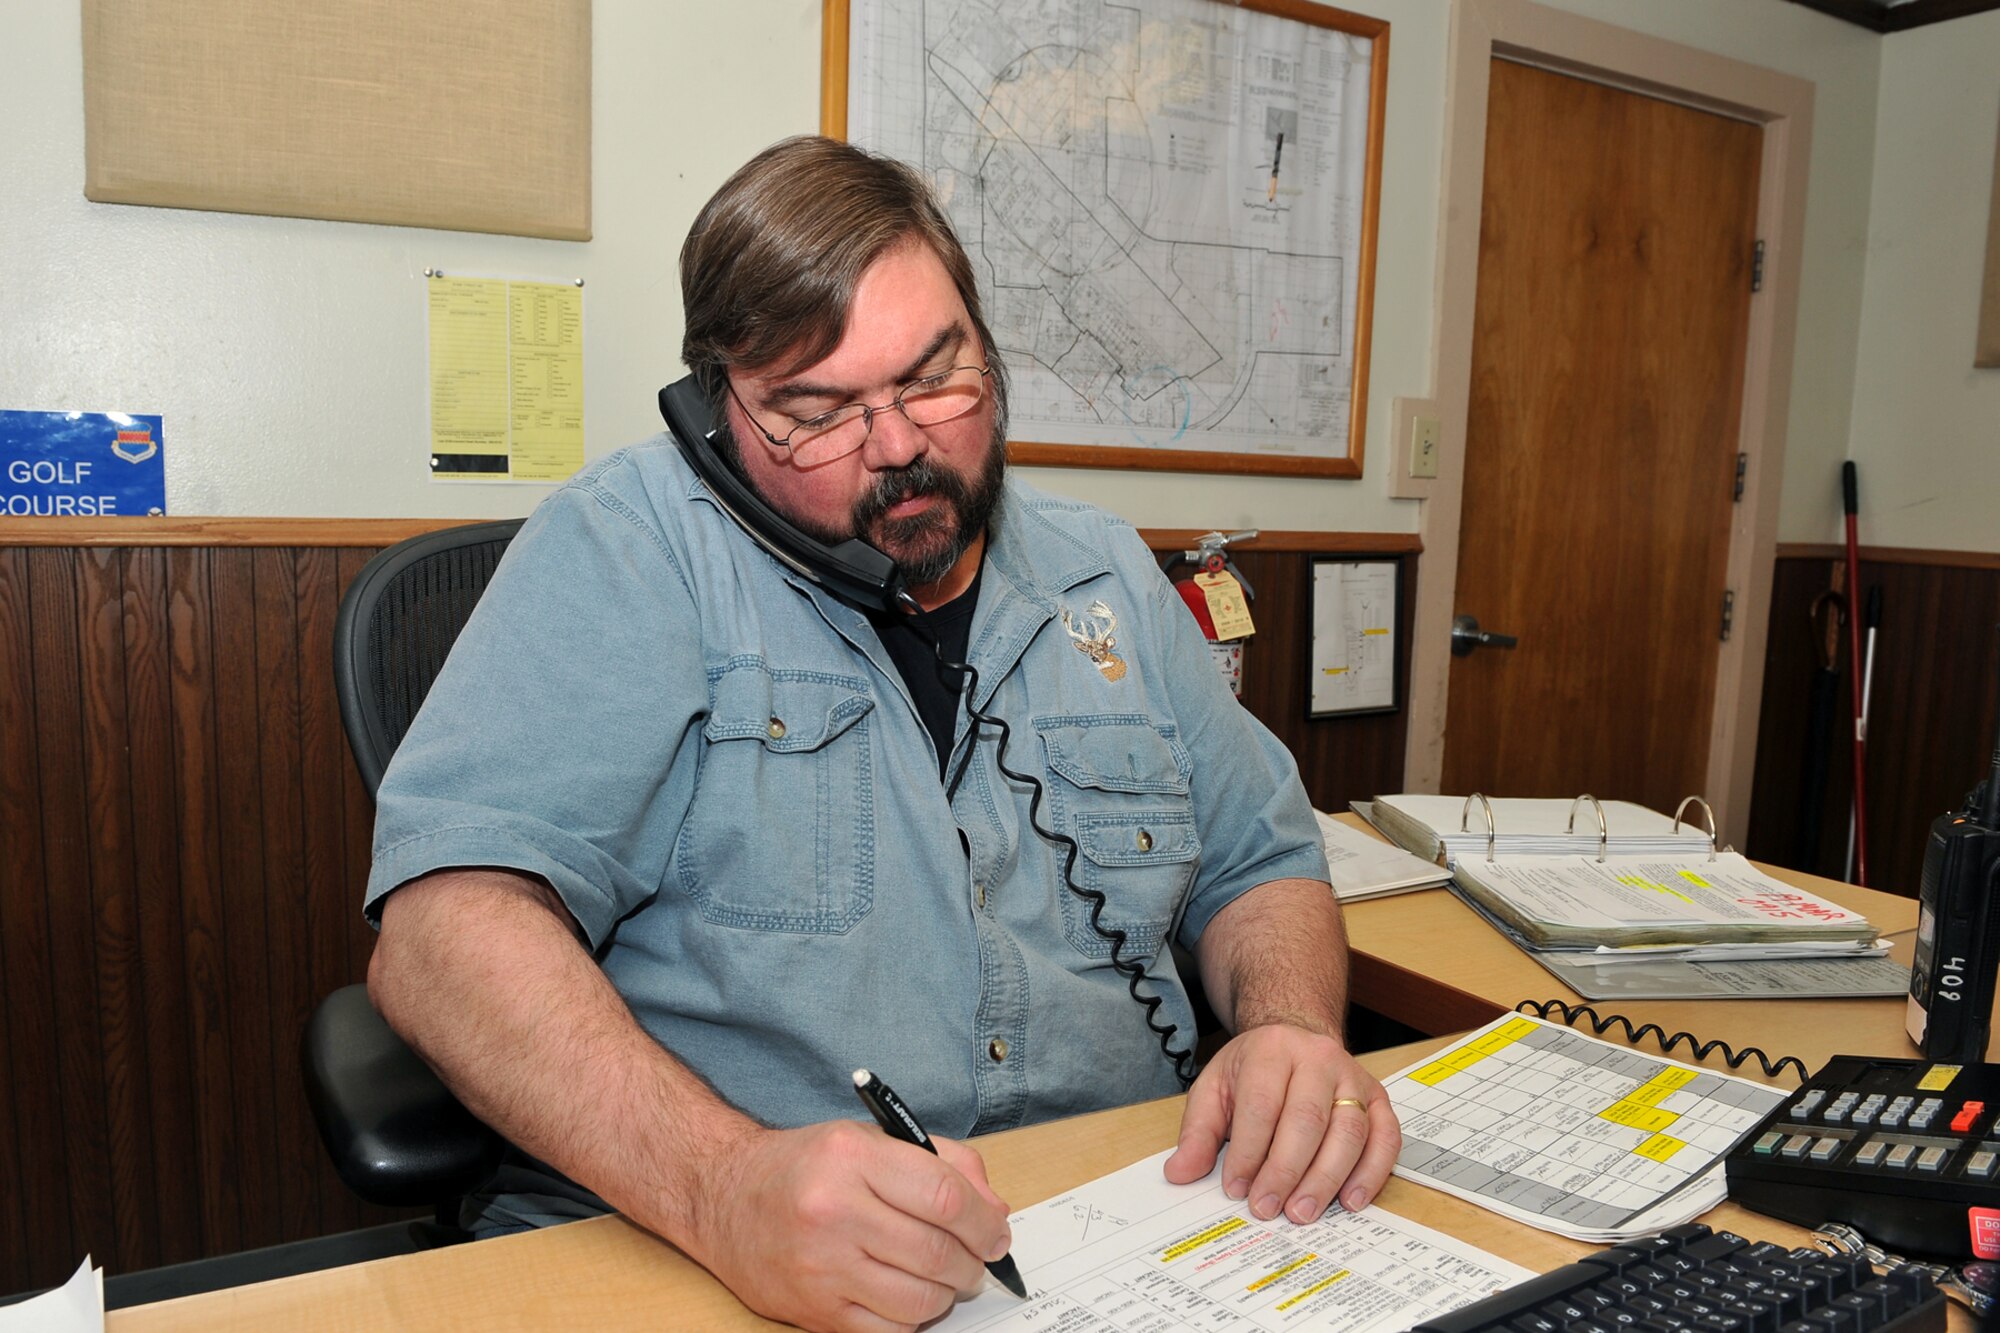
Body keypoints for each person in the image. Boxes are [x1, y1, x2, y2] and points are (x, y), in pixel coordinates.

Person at [365, 135, 1401, 1332]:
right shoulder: (626, 549)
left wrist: (1287, 1030)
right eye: (817, 409)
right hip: (715, 1252)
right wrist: (720, 1187)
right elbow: (442, 932)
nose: (900, 445)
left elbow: (1257, 864)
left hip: (1128, 1236)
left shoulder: (1102, 573)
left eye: (934, 377)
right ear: (717, 412)